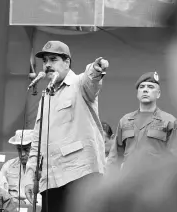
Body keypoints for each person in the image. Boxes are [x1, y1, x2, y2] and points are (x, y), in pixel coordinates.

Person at [24, 40, 109, 212]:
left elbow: (91, 79)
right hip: (50, 180)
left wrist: (96, 69)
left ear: (67, 62)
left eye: (53, 59)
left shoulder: (79, 84)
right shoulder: (46, 96)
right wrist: (29, 173)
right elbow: (36, 140)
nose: (47, 65)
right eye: (45, 60)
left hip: (80, 175)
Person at [108, 72, 177, 166]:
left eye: (150, 87)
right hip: (128, 178)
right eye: (142, 87)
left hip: (155, 178)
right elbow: (114, 157)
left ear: (158, 94)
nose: (145, 90)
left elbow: (175, 158)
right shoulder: (125, 121)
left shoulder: (169, 122)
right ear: (137, 93)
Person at [1, 129, 42, 205]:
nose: (22, 154)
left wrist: (24, 203)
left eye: (26, 150)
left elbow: (47, 198)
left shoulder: (45, 169)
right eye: (19, 150)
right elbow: (0, 191)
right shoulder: (8, 166)